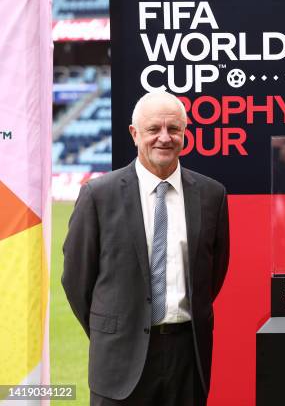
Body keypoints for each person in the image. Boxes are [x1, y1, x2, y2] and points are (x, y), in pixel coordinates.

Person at [62, 91, 230, 405]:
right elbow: (76, 279)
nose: (164, 138)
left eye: (173, 129)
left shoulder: (211, 195)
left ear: (184, 133)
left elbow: (213, 274)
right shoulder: (98, 195)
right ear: (134, 133)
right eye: (154, 129)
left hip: (187, 356)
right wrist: (114, 327)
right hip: (118, 360)